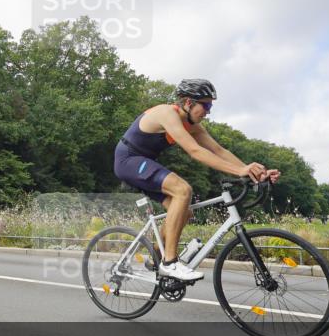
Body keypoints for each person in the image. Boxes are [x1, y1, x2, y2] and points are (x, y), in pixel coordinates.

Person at [114, 79, 280, 281]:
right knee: (183, 190)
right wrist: (240, 171)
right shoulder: (167, 113)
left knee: (185, 212)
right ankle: (170, 262)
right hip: (128, 160)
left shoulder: (193, 126)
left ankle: (157, 256)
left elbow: (219, 150)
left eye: (210, 107)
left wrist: (254, 173)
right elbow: (195, 151)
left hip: (145, 163)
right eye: (206, 106)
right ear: (188, 102)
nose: (208, 112)